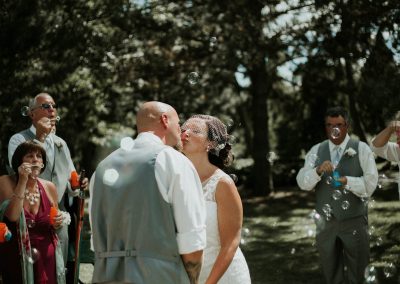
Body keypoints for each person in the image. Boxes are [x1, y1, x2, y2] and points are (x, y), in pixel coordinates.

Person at [90, 101, 206, 283]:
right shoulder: (173, 160)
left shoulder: (101, 169)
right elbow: (192, 243)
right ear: (165, 120)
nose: (180, 130)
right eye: (178, 123)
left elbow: (96, 242)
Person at [8, 92, 88, 283]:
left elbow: (71, 181)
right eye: (45, 106)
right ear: (31, 113)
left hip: (56, 218)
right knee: (30, 271)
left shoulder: (61, 143)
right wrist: (39, 139)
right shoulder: (18, 139)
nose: (51, 109)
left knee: (57, 269)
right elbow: (17, 172)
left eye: (53, 106)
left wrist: (78, 184)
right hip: (29, 218)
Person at [296, 106, 378, 284]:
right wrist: (317, 171)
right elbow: (302, 182)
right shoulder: (316, 150)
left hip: (354, 220)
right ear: (325, 127)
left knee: (359, 273)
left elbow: (370, 186)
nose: (334, 129)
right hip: (326, 224)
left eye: (339, 124)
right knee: (331, 273)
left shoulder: (361, 149)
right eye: (329, 125)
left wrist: (347, 181)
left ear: (347, 125)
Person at [181, 114, 251, 284]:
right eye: (183, 129)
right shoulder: (177, 180)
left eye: (195, 130)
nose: (186, 133)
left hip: (223, 276)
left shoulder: (222, 183)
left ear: (210, 144)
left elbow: (231, 243)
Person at [0, 141, 65, 283]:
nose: (35, 159)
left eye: (39, 156)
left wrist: (59, 220)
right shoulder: (5, 182)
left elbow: (55, 221)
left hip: (47, 258)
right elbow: (13, 216)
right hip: (16, 258)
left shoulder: (49, 187)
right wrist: (23, 180)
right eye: (29, 156)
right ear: (19, 161)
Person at [371, 117, 400, 199]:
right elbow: (375, 146)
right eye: (397, 132)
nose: (398, 135)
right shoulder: (398, 151)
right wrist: (390, 128)